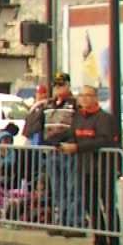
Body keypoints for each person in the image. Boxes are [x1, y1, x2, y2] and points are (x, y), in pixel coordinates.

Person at [62, 85, 121, 245]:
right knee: (92, 207)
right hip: (85, 167)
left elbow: (103, 140)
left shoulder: (104, 118)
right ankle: (99, 241)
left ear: (96, 98)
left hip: (103, 168)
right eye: (82, 96)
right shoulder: (78, 117)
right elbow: (74, 135)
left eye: (88, 96)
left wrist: (77, 147)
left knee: (108, 206)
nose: (85, 99)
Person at [38, 73, 81, 234]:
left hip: (68, 150)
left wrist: (61, 139)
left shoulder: (74, 104)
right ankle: (61, 222)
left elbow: (75, 126)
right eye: (56, 85)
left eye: (61, 85)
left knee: (72, 188)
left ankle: (74, 222)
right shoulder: (49, 105)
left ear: (68, 86)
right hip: (52, 151)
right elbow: (44, 126)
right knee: (57, 189)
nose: (58, 88)